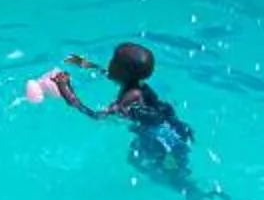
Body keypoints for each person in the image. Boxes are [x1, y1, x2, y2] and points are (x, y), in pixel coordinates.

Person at [46, 42, 198, 179]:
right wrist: (83, 63)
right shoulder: (134, 82)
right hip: (172, 125)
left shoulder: (131, 96)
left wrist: (66, 90)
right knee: (149, 163)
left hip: (159, 136)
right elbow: (106, 73)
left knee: (145, 164)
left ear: (123, 72)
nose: (109, 63)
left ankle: (192, 193)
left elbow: (96, 116)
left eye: (113, 62)